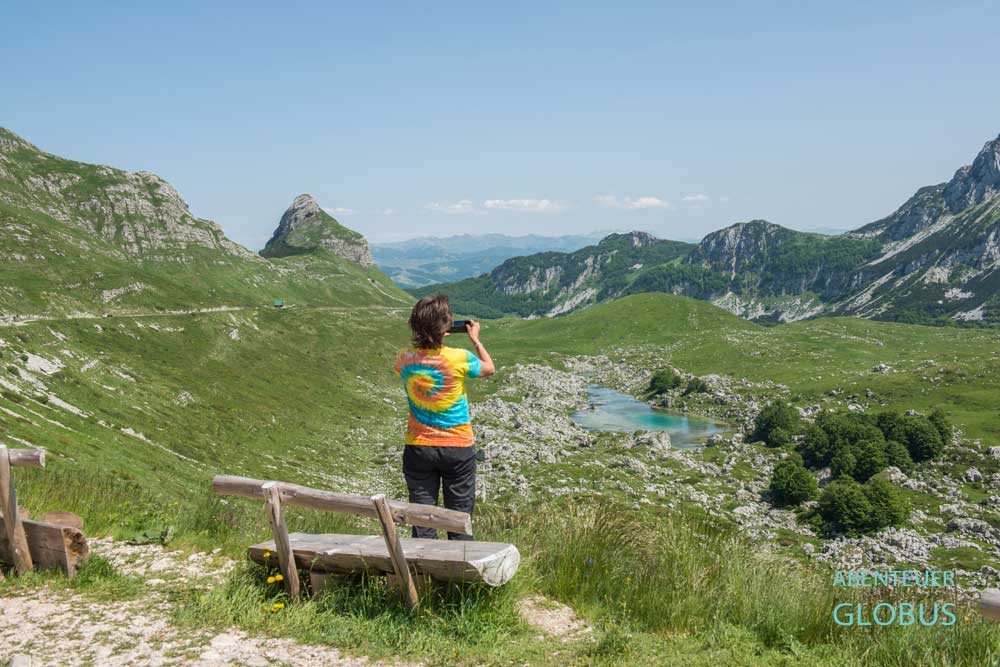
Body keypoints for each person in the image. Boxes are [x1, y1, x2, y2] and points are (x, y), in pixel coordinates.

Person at [394, 294, 495, 540]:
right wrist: (476, 341)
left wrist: (433, 335)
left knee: (422, 517)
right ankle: (458, 574)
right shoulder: (459, 357)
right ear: (445, 328)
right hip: (457, 447)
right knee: (459, 517)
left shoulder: (404, 359)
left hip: (418, 447)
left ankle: (422, 573)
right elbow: (489, 368)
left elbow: (415, 360)